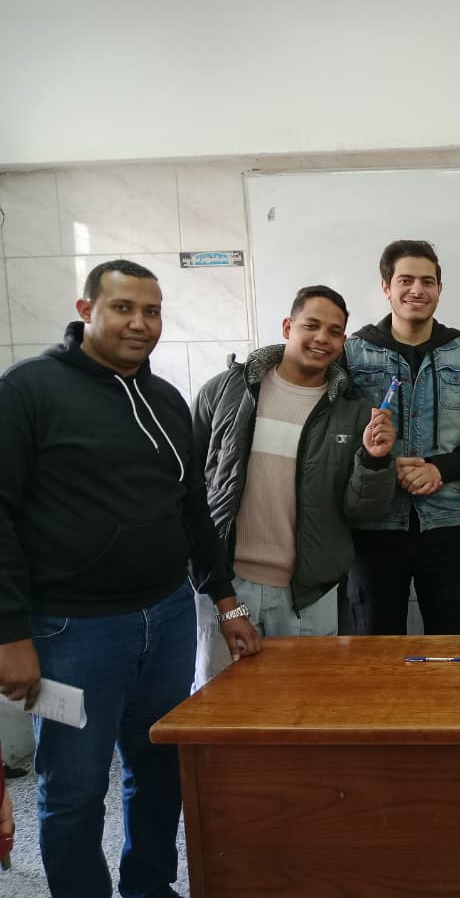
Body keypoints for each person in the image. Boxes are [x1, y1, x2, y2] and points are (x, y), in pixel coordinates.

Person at [0, 259, 260, 898]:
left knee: (158, 768)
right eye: (123, 308)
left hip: (166, 619)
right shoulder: (28, 391)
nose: (140, 323)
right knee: (74, 787)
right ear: (86, 310)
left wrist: (225, 600)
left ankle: (149, 887)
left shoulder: (165, 398)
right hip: (69, 633)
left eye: (152, 311)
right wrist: (9, 634)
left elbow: (193, 509)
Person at [191, 285, 398, 687]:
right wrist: (203, 573)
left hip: (307, 594)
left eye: (334, 331)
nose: (322, 338)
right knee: (219, 703)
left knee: (305, 705)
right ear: (288, 327)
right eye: (311, 325)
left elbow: (362, 511)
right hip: (227, 587)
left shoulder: (354, 413)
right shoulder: (226, 391)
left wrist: (375, 461)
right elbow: (188, 485)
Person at [344, 240, 460, 635]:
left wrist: (440, 469)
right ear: (386, 287)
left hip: (450, 527)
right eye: (406, 280)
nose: (417, 290)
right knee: (375, 650)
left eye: (427, 281)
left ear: (439, 289)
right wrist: (378, 464)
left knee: (450, 646)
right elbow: (335, 439)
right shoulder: (352, 355)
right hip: (374, 528)